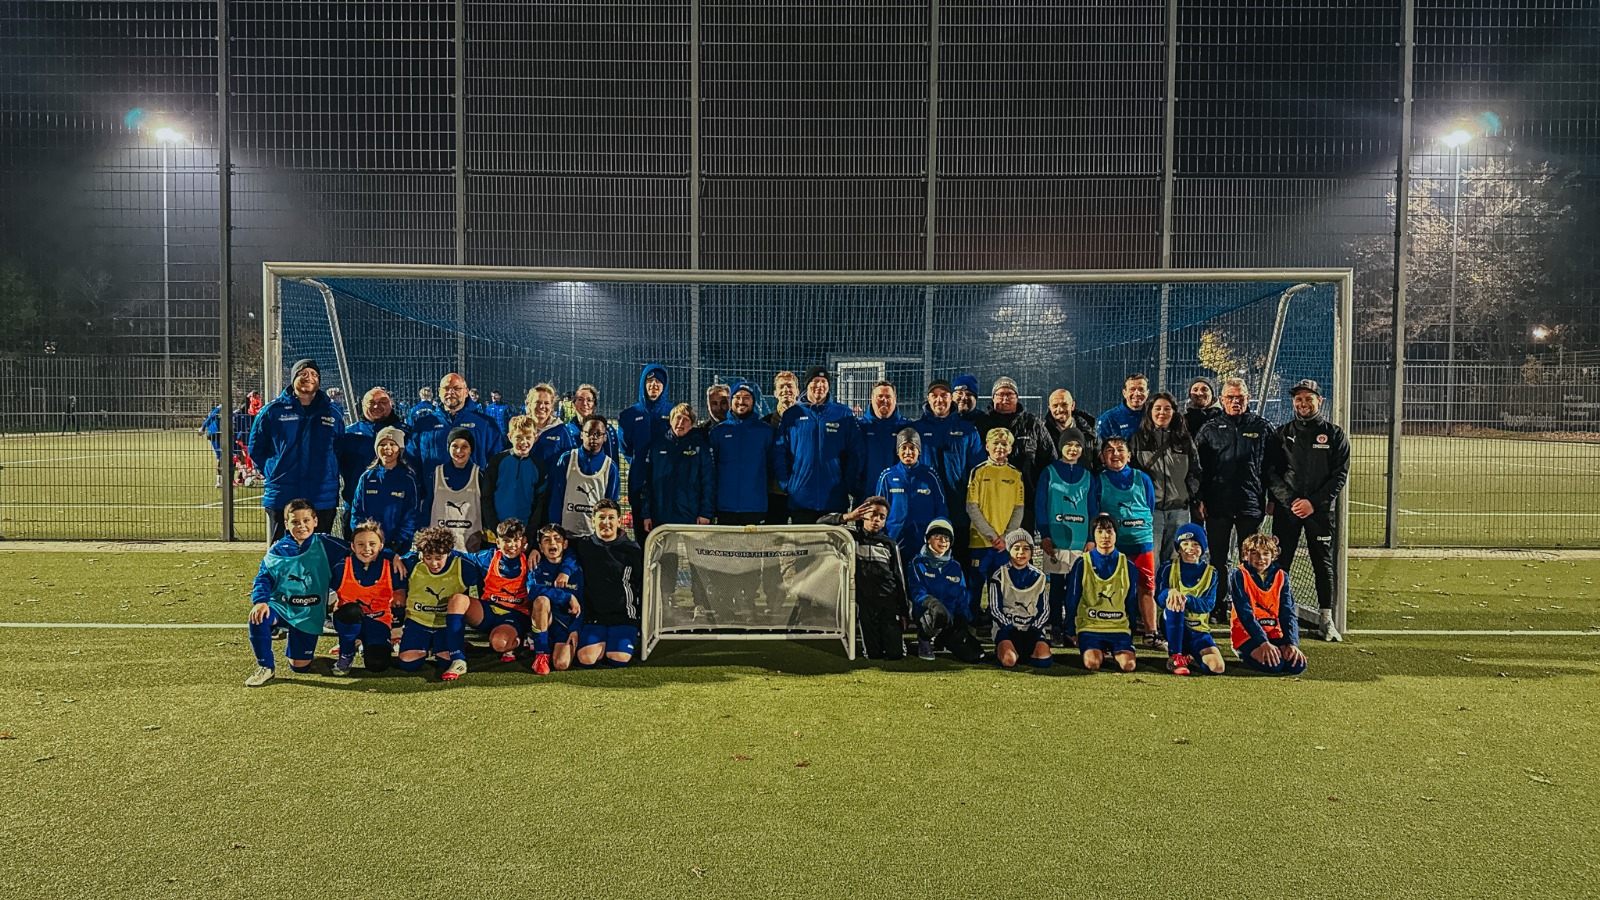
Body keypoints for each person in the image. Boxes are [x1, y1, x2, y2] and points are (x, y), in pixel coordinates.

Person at [1267, 378, 1350, 642]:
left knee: (1322, 564)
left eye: (1308, 398)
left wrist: (1313, 502)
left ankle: (1326, 620)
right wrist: (1291, 500)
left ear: (1319, 401)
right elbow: (1270, 472)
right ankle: (1279, 615)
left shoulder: (1335, 435)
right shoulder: (1281, 434)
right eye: (1298, 399)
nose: (1303, 403)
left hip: (1319, 511)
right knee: (1281, 564)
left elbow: (1339, 475)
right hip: (1287, 510)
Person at [1194, 377, 1275, 624]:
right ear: (1222, 400)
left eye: (1240, 397)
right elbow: (1199, 469)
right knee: (1218, 558)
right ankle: (1217, 604)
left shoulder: (1262, 427)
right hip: (1217, 505)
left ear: (1248, 398)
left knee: (1250, 557)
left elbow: (1273, 466)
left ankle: (1246, 606)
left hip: (1250, 504)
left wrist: (1271, 498)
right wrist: (1200, 499)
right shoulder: (1209, 429)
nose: (1235, 401)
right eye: (1230, 397)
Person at [244, 500, 350, 686]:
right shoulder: (278, 549)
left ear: (315, 522)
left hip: (309, 611)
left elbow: (360, 548)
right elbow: (263, 578)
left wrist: (392, 556)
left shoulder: (326, 543)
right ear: (286, 524)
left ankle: (297, 642)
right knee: (259, 616)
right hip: (282, 607)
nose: (301, 526)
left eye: (306, 521)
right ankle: (266, 667)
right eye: (295, 522)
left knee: (300, 666)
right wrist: (260, 601)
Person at [248, 358, 343, 542]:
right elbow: (256, 448)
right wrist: (272, 471)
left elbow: (339, 448)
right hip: (283, 493)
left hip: (321, 494)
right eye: (303, 374)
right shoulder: (273, 411)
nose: (309, 378)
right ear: (293, 379)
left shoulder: (333, 412)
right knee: (282, 554)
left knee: (319, 554)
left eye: (314, 374)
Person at [821, 497, 910, 662]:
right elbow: (820, 524)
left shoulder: (890, 544)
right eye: (873, 514)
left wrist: (903, 611)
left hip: (888, 601)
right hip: (864, 602)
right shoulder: (850, 537)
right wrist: (847, 517)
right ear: (862, 515)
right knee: (873, 654)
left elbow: (899, 579)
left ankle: (897, 641)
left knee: (895, 654)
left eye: (882, 517)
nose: (876, 520)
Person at [1093, 436, 1161, 649]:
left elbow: (1149, 508)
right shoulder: (1099, 480)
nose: (1115, 454)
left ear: (1129, 455)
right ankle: (1113, 629)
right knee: (1112, 588)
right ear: (1103, 457)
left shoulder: (1143, 479)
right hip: (1113, 546)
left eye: (1120, 449)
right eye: (1109, 450)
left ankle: (1151, 631)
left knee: (1147, 587)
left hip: (1141, 543)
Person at [396, 525, 484, 681]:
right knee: (409, 664)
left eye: (439, 558)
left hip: (445, 624)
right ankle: (427, 646)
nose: (434, 563)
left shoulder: (463, 565)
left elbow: (484, 564)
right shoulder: (411, 562)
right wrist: (393, 557)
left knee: (446, 661)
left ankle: (453, 646)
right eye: (428, 557)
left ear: (448, 553)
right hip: (417, 622)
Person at [780, 366, 864, 522]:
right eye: (815, 381)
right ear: (807, 384)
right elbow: (780, 452)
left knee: (832, 546)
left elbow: (856, 452)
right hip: (801, 499)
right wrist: (788, 484)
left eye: (824, 381)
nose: (820, 385)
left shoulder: (843, 413)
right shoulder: (792, 415)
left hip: (834, 499)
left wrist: (847, 484)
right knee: (804, 545)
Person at [1128, 391, 1201, 566]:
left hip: (1179, 511)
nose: (1162, 412)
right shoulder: (1138, 439)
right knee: (1151, 561)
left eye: (1167, 408)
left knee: (1175, 561)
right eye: (1158, 408)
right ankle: (1153, 594)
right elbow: (1132, 474)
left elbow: (1195, 470)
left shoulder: (1183, 439)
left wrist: (1187, 493)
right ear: (1150, 411)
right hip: (1151, 511)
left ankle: (1171, 594)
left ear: (1174, 412)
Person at [571, 500, 645, 668]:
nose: (606, 522)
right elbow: (562, 549)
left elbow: (640, 585)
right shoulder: (584, 545)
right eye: (601, 517)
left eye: (611, 517)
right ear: (593, 521)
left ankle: (619, 640)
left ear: (619, 521)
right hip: (594, 617)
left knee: (618, 658)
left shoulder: (632, 550)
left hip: (623, 617)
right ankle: (602, 642)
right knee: (586, 659)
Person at [328, 519, 407, 676]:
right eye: (360, 544)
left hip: (378, 622)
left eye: (372, 544)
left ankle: (366, 643)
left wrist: (393, 555)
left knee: (377, 664)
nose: (367, 549)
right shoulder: (341, 566)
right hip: (349, 620)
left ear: (381, 546)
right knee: (352, 611)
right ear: (352, 546)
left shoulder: (392, 566)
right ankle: (346, 653)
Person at [1035, 426, 1092, 641]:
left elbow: (1093, 508)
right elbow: (1041, 505)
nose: (1073, 449)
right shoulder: (1049, 473)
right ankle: (1056, 626)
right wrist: (1045, 535)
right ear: (1061, 447)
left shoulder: (1087, 476)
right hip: (1056, 540)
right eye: (1069, 444)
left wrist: (1091, 539)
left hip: (1080, 541)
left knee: (1076, 587)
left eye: (1078, 446)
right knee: (1057, 587)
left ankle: (1072, 627)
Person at [913, 378, 983, 552]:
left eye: (943, 395)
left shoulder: (968, 430)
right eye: (934, 396)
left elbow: (978, 470)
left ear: (951, 398)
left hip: (958, 506)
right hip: (925, 505)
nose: (939, 400)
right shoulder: (916, 430)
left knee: (960, 559)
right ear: (928, 399)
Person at [1063, 514, 1139, 673]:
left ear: (1116, 535)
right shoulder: (1083, 562)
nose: (1105, 536)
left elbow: (1131, 600)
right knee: (1093, 663)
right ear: (1094, 535)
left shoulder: (1128, 564)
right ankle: (1097, 651)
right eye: (1100, 531)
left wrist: (1131, 628)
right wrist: (1071, 630)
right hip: (1090, 626)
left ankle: (1112, 650)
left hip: (1118, 627)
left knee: (1128, 665)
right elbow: (1072, 597)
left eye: (1110, 531)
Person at [964, 427, 1026, 616]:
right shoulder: (978, 472)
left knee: (999, 584)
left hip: (1004, 545)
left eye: (1004, 444)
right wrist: (992, 535)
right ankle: (973, 620)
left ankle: (996, 618)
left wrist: (1006, 537)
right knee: (975, 584)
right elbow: (971, 507)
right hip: (980, 541)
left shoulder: (1016, 475)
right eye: (995, 444)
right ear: (987, 447)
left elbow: (1018, 509)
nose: (1000, 448)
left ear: (1010, 448)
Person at [1229, 533, 1308, 675]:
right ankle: (1242, 652)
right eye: (1255, 553)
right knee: (1274, 666)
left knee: (1297, 665)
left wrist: (1291, 643)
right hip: (1248, 634)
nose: (1261, 559)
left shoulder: (1281, 576)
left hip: (1274, 632)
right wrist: (1263, 643)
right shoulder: (1239, 574)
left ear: (1273, 556)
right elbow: (1245, 613)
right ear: (1246, 555)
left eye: (1266, 554)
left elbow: (1287, 612)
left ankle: (1276, 648)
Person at [907, 519, 984, 663]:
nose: (943, 541)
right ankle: (924, 638)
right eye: (937, 536)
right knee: (939, 613)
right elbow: (916, 591)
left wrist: (962, 617)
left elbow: (962, 595)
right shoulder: (917, 562)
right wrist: (933, 603)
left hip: (951, 618)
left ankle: (942, 639)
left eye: (947, 538)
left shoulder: (955, 566)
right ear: (928, 539)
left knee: (975, 655)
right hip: (928, 613)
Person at [334, 387, 406, 539]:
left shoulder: (405, 433)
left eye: (383, 402)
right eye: (371, 402)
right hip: (357, 509)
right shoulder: (349, 434)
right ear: (362, 404)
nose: (376, 406)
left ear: (391, 404)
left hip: (394, 508)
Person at [711, 381, 786, 526]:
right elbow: (711, 469)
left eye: (747, 397)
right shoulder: (718, 432)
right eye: (737, 397)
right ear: (731, 400)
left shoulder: (766, 431)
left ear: (753, 401)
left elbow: (772, 466)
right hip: (725, 506)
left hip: (756, 506)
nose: (741, 401)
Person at [635, 403, 715, 533]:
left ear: (692, 424)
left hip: (690, 517)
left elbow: (708, 483)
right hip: (661, 516)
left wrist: (706, 513)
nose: (681, 422)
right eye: (678, 418)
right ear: (671, 420)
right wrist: (646, 514)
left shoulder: (700, 448)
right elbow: (647, 483)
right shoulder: (657, 446)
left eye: (686, 419)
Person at [876, 428, 948, 570]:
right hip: (895, 540)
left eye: (912, 448)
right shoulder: (888, 476)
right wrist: (882, 537)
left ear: (919, 451)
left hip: (923, 542)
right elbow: (878, 509)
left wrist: (937, 537)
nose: (908, 452)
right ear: (898, 451)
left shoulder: (930, 475)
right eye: (904, 448)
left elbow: (941, 508)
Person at [1158, 524, 1225, 676]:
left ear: (1202, 547)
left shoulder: (1211, 573)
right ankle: (1175, 656)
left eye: (1195, 544)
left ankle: (1189, 655)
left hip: (1198, 631)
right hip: (1171, 625)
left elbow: (1208, 604)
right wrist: (1170, 593)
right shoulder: (1168, 568)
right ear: (1178, 548)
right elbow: (1159, 598)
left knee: (1217, 667)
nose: (1190, 548)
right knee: (1175, 602)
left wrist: (1186, 599)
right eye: (1185, 544)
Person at [407, 373, 505, 477]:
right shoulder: (424, 425)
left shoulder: (486, 425)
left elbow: (498, 463)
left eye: (456, 388)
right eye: (446, 388)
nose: (451, 392)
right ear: (439, 392)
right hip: (434, 491)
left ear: (466, 392)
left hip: (474, 491)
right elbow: (411, 461)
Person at [466, 518, 535, 663]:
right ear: (498, 543)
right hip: (489, 611)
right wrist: (427, 553)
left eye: (515, 540)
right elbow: (461, 556)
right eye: (506, 541)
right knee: (459, 601)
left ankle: (518, 640)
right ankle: (456, 650)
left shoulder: (530, 560)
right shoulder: (489, 557)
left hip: (515, 615)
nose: (511, 545)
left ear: (523, 541)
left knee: (499, 644)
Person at [619, 364, 673, 542]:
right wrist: (641, 462)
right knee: (643, 537)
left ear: (664, 386)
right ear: (643, 384)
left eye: (658, 381)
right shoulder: (629, 414)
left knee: (666, 541)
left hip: (666, 484)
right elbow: (625, 447)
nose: (654, 385)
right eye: (650, 381)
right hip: (639, 483)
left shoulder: (673, 412)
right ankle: (643, 570)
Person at [976, 377, 1055, 499]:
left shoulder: (1033, 424)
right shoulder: (981, 424)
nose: (1005, 398)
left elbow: (1050, 461)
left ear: (1017, 397)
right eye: (1000, 394)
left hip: (1026, 499)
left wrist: (1040, 491)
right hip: (989, 497)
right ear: (993, 397)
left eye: (1010, 394)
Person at [351, 426, 424, 554]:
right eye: (383, 444)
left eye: (392, 444)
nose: (387, 449)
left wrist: (397, 542)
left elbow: (411, 514)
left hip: (398, 547)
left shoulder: (408, 479)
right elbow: (357, 512)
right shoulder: (367, 478)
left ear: (399, 449)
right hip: (370, 547)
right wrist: (365, 538)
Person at [987, 530, 1053, 670]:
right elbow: (995, 608)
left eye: (1026, 548)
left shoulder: (1039, 577)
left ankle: (1026, 651)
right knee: (1009, 660)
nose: (1021, 552)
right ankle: (1003, 649)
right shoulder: (999, 575)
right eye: (1016, 548)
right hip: (1007, 629)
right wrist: (1009, 628)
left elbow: (1045, 609)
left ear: (1031, 552)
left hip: (1032, 629)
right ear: (1009, 550)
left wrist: (1034, 629)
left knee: (1043, 662)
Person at [547, 415, 621, 538]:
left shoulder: (610, 467)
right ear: (582, 435)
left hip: (594, 537)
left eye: (598, 434)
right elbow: (557, 496)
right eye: (589, 433)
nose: (593, 437)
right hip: (566, 533)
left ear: (605, 437)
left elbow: (611, 505)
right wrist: (556, 528)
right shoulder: (567, 459)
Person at [528, 523, 584, 674]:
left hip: (565, 626)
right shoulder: (536, 568)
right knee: (541, 600)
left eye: (557, 539)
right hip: (547, 620)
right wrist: (567, 596)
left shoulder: (575, 569)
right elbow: (533, 591)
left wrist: (575, 630)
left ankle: (554, 646)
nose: (552, 543)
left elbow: (582, 603)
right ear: (540, 547)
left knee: (561, 664)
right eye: (546, 540)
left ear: (565, 544)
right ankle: (541, 653)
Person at [483, 414, 549, 535]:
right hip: (497, 532)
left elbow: (539, 504)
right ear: (510, 437)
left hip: (523, 534)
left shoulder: (538, 467)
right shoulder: (497, 461)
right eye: (518, 437)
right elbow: (486, 498)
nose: (523, 442)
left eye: (528, 437)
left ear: (535, 438)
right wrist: (495, 528)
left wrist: (529, 534)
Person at [424, 427, 484, 552]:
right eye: (454, 446)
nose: (459, 451)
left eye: (464, 446)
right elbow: (427, 506)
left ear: (471, 449)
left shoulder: (479, 475)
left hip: (469, 548)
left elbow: (485, 508)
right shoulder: (436, 474)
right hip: (439, 549)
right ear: (448, 448)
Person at [856, 380, 910, 500]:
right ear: (872, 398)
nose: (884, 400)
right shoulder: (859, 427)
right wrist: (857, 488)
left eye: (888, 396)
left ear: (895, 399)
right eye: (880, 396)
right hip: (865, 497)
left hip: (897, 497)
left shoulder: (906, 427)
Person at [764, 370, 800, 526]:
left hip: (800, 488)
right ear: (775, 393)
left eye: (790, 386)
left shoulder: (808, 420)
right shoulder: (766, 423)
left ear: (797, 391)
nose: (786, 390)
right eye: (782, 387)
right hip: (774, 490)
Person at [524, 383, 577, 475]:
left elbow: (573, 461)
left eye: (546, 403)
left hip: (552, 487)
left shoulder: (562, 430)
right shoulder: (520, 428)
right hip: (523, 486)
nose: (542, 406)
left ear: (552, 406)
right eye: (538, 402)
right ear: (529, 404)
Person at [1045, 389, 1100, 473]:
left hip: (1085, 483)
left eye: (1064, 405)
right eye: (1055, 406)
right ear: (1049, 408)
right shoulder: (1043, 432)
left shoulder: (1089, 430)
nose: (1060, 409)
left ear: (1072, 405)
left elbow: (1099, 462)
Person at [566, 383, 621, 463]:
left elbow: (612, 461)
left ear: (594, 405)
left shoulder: (607, 430)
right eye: (580, 399)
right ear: (574, 404)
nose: (585, 404)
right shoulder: (567, 430)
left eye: (589, 400)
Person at [1096, 373, 1151, 444]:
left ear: (1148, 393)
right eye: (1132, 389)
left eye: (1141, 389)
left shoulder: (1154, 416)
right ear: (1124, 393)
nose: (1137, 393)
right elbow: (1100, 448)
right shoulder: (1108, 419)